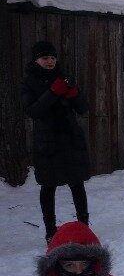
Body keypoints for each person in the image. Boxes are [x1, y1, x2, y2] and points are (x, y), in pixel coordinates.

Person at [20, 41, 91, 244]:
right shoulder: (29, 82)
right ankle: (50, 231)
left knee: (77, 183)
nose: (49, 61)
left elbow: (83, 108)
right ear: (36, 60)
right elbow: (33, 111)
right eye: (45, 58)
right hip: (47, 141)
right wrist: (53, 92)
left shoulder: (65, 77)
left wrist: (74, 93)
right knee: (48, 186)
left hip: (70, 138)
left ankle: (84, 226)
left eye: (52, 57)